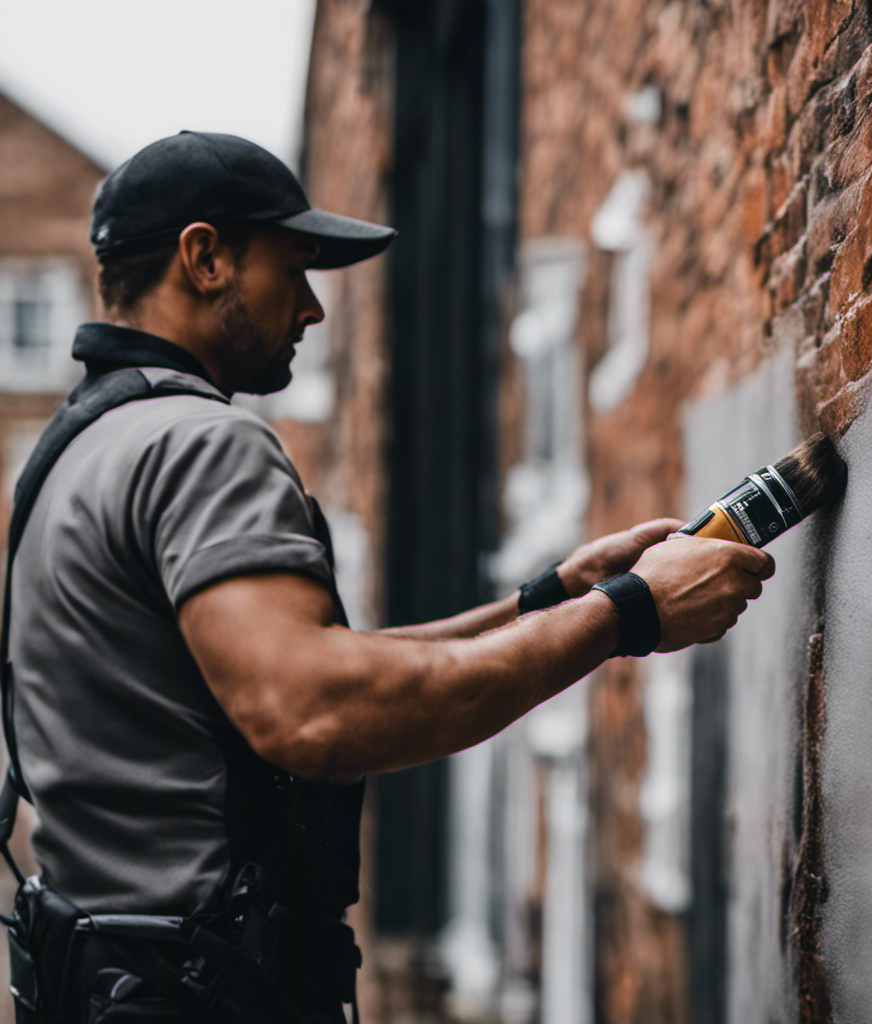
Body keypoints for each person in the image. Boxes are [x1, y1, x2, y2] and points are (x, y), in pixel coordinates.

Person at [2, 132, 774, 1024]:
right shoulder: (202, 442)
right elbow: (316, 709)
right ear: (205, 257)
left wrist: (548, 599)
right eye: (294, 269)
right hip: (200, 993)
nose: (313, 309)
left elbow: (305, 665)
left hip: (99, 983)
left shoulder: (72, 451)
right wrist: (628, 615)